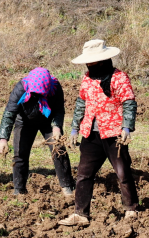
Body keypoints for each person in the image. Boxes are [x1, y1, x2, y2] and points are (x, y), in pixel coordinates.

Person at [59, 39, 139, 227]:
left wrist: (127, 127)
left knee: (122, 172)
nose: (88, 65)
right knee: (84, 174)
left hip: (113, 132)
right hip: (91, 133)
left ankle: (131, 209)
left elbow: (129, 103)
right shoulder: (87, 78)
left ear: (103, 60)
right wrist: (74, 128)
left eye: (92, 62)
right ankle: (81, 214)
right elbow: (81, 103)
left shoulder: (119, 78)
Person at [0, 67, 75, 196]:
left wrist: (56, 127)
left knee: (59, 149)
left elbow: (59, 109)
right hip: (25, 121)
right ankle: (19, 190)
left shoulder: (55, 87)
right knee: (20, 154)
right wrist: (3, 139)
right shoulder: (21, 88)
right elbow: (9, 114)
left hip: (48, 121)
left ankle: (67, 186)